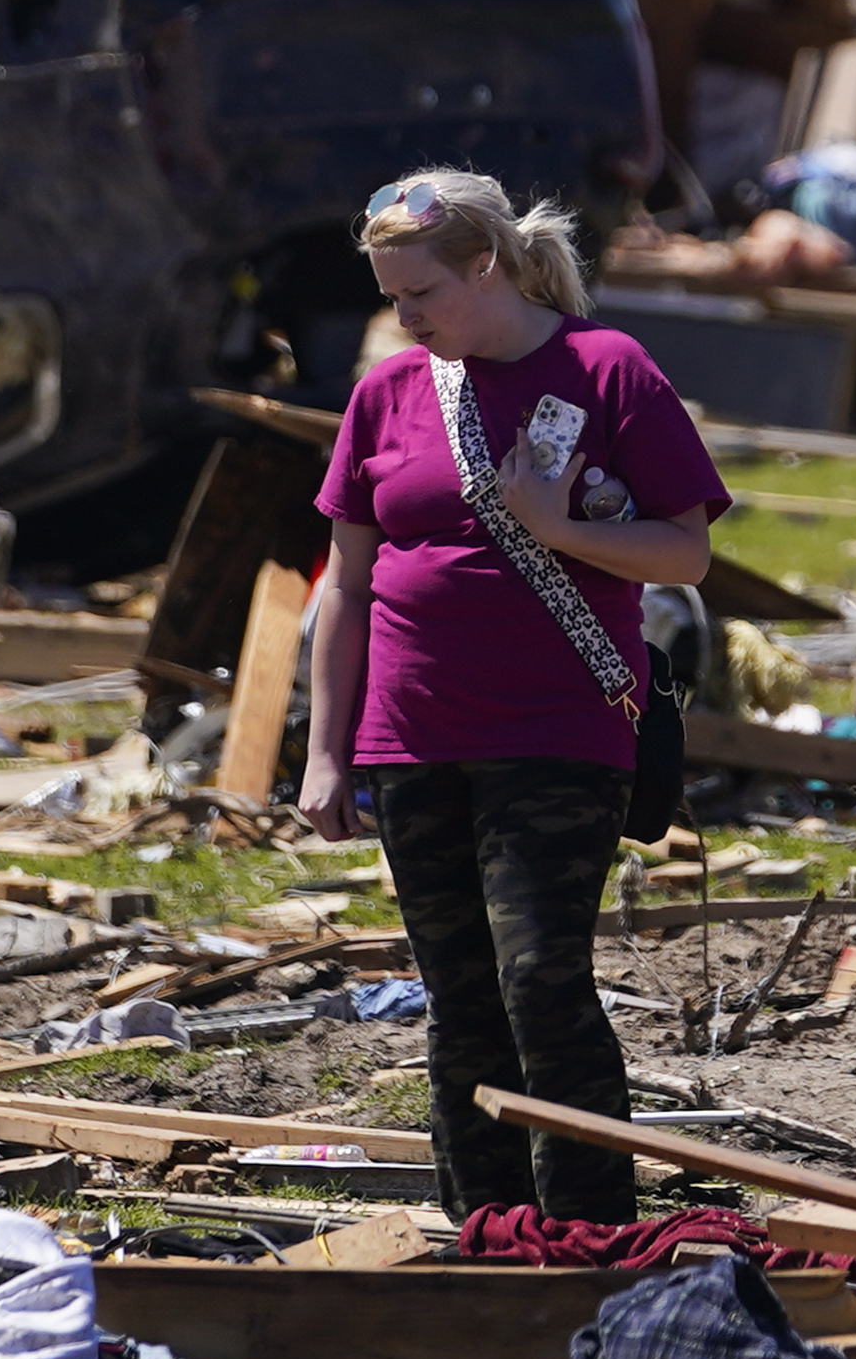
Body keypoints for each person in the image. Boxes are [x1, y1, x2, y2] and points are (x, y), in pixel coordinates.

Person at [298, 165, 728, 1226]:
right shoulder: (386, 392)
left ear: (484, 264)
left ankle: (589, 1225)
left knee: (540, 976)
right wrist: (325, 746)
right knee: (461, 1002)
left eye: (421, 295)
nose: (402, 317)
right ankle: (483, 1224)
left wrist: (560, 526)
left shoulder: (607, 368)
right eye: (390, 297)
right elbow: (344, 582)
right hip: (411, 736)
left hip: (556, 732)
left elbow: (686, 552)